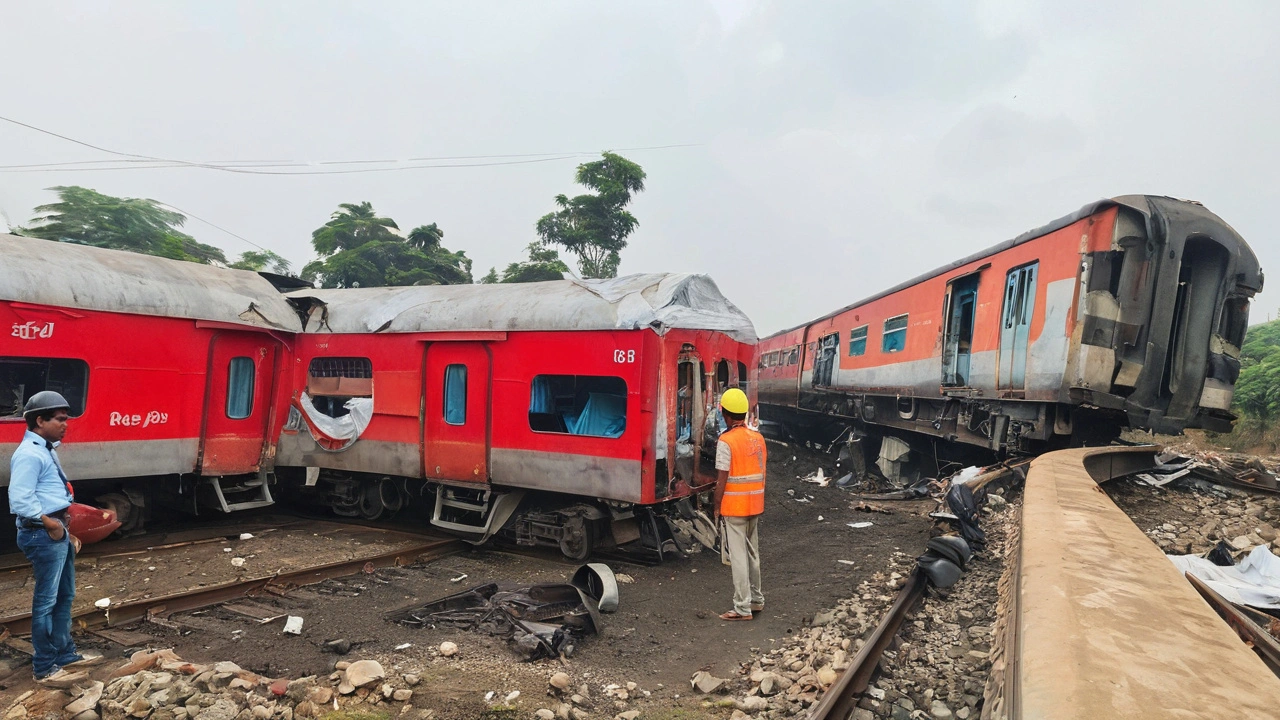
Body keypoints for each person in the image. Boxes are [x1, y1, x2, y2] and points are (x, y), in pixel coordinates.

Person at [9, 391, 100, 684]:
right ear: (40, 420)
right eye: (60, 419)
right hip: (44, 534)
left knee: (65, 596)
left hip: (56, 532)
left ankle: (65, 654)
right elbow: (20, 500)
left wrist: (63, 525)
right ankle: (45, 667)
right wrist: (51, 524)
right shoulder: (29, 454)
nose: (66, 424)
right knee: (46, 602)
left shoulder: (45, 449)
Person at [712, 387, 766, 621]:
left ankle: (742, 608)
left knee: (738, 557)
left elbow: (721, 479)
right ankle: (756, 600)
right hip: (755, 504)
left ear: (725, 414)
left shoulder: (726, 441)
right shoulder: (758, 438)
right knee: (752, 553)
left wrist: (716, 506)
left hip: (734, 508)